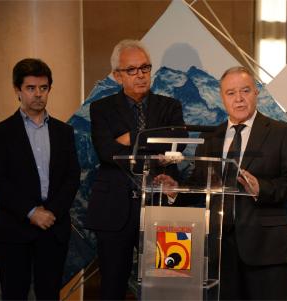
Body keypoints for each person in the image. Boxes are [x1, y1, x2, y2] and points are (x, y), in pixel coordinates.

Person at [159, 66, 287, 300]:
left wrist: (262, 188)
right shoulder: (211, 138)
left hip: (266, 251)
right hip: (221, 252)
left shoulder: (281, 132)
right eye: (231, 93)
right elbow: (201, 184)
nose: (238, 99)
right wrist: (175, 191)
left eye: (245, 91)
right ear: (222, 97)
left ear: (256, 93)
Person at [85, 39, 186, 300]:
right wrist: (153, 140)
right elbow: (107, 153)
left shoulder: (170, 106)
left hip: (161, 206)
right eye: (132, 70)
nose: (140, 75)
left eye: (145, 68)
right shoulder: (101, 108)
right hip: (114, 209)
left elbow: (179, 143)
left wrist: (129, 138)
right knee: (112, 287)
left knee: (165, 287)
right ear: (118, 76)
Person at [0, 58, 81, 300]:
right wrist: (32, 212)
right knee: (14, 294)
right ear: (17, 90)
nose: (38, 94)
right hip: (14, 228)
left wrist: (51, 212)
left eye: (43, 88)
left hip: (53, 227)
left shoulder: (64, 132)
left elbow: (72, 177)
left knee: (49, 295)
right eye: (31, 88)